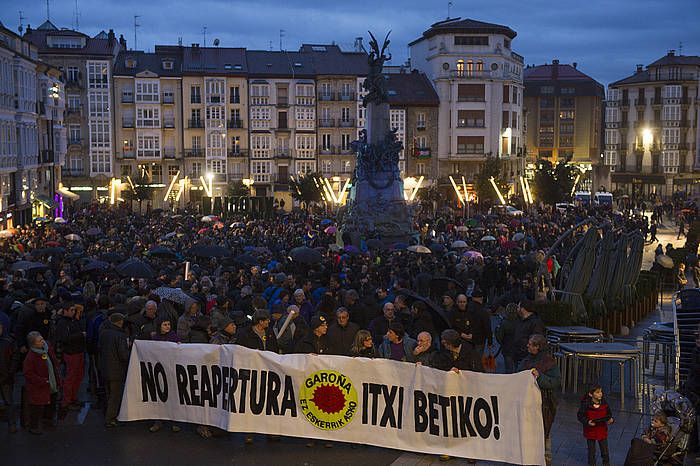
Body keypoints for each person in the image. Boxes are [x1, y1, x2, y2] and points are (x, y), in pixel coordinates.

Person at [518, 334, 561, 466]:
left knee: (544, 431)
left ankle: (546, 458)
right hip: (528, 403)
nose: (527, 346)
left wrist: (539, 376)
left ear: (537, 347)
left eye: (530, 344)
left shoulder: (549, 363)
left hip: (545, 404)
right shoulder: (526, 361)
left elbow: (554, 382)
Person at [23, 331, 61, 435]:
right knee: (37, 407)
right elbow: (28, 374)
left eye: (42, 339)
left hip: (51, 382)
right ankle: (33, 427)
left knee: (51, 401)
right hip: (40, 386)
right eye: (40, 341)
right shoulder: (31, 357)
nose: (43, 341)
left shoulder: (46, 348)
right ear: (34, 344)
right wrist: (42, 381)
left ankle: (47, 420)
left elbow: (53, 361)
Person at [99, 313, 130, 428]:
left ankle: (107, 415)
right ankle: (110, 418)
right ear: (120, 322)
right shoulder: (120, 335)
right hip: (117, 370)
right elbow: (123, 355)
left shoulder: (103, 333)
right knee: (115, 396)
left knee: (108, 394)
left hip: (104, 368)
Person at [53, 301, 86, 411]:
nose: (73, 312)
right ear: (65, 311)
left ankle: (72, 398)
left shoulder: (72, 321)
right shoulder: (62, 323)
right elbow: (64, 338)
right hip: (71, 353)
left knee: (77, 376)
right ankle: (66, 401)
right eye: (71, 310)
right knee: (70, 378)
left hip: (78, 351)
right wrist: (80, 335)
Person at [577, 385, 614, 466]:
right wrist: (587, 421)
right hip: (590, 431)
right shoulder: (586, 404)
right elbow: (580, 416)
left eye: (601, 392)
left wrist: (611, 419)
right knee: (591, 451)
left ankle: (606, 463)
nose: (600, 394)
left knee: (604, 451)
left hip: (602, 430)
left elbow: (609, 414)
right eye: (597, 392)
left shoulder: (604, 403)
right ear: (591, 394)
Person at [512, 300, 546, 369]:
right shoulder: (520, 320)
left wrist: (526, 348)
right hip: (518, 355)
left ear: (523, 309)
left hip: (526, 357)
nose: (517, 309)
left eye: (518, 307)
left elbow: (537, 340)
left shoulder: (535, 322)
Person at [0, 313, 19, 432]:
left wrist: (11, 372)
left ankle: (12, 423)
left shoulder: (9, 342)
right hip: (6, 375)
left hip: (6, 376)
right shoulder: (9, 341)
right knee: (8, 400)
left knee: (9, 401)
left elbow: (15, 358)